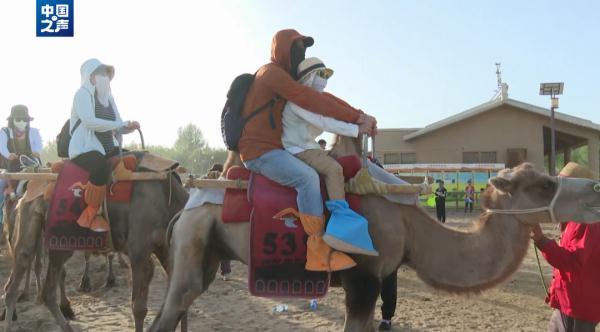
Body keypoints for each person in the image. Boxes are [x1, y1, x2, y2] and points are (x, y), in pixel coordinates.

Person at [239, 29, 377, 272]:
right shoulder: (272, 74)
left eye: (303, 50)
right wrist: (356, 119)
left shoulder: (283, 77)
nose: (301, 54)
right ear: (283, 50)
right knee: (307, 178)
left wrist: (360, 115)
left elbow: (326, 98)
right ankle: (317, 251)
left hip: (275, 148)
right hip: (261, 152)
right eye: (297, 49)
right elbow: (310, 99)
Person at [281, 57, 377, 256]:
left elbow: (329, 116)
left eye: (328, 74)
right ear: (310, 77)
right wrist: (357, 129)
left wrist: (359, 121)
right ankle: (340, 223)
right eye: (322, 74)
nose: (326, 79)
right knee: (334, 169)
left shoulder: (310, 100)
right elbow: (324, 123)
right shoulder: (298, 102)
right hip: (297, 149)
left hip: (308, 146)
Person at [69, 58, 139, 232]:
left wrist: (128, 127)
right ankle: (92, 212)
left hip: (108, 146)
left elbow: (118, 124)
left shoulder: (109, 98)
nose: (105, 77)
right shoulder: (81, 95)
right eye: (101, 74)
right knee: (99, 165)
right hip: (85, 149)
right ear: (90, 77)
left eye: (106, 74)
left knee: (134, 158)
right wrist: (118, 125)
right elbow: (90, 122)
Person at [530, 162, 600, 332]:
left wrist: (540, 240)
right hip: (567, 301)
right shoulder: (574, 215)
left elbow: (574, 260)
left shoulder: (590, 221)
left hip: (579, 306)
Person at [0, 105, 43, 232]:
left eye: (24, 119)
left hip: (31, 166)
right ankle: (1, 225)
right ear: (12, 120)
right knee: (0, 187)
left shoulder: (33, 132)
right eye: (18, 119)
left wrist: (36, 152)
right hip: (9, 168)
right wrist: (9, 155)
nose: (21, 122)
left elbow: (38, 145)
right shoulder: (5, 132)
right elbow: (2, 147)